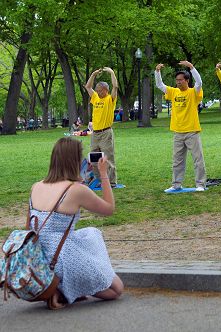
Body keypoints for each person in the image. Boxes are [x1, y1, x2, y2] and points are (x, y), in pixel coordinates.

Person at [29, 137, 123, 309]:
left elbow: (29, 227)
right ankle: (61, 289)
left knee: (89, 234)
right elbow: (109, 209)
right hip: (62, 258)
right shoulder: (76, 190)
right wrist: (103, 174)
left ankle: (59, 288)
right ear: (74, 161)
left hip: (39, 257)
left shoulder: (36, 186)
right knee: (116, 289)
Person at [155, 61, 207, 191]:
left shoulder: (193, 92)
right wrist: (157, 72)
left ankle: (200, 184)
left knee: (197, 160)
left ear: (187, 81)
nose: (178, 82)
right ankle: (176, 185)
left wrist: (191, 67)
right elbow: (159, 85)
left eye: (180, 80)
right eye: (177, 80)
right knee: (177, 161)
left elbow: (199, 82)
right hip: (178, 132)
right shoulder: (173, 92)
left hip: (192, 132)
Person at [85, 67, 119, 187]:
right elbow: (88, 87)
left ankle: (112, 182)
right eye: (97, 90)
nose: (97, 92)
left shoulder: (110, 99)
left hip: (106, 132)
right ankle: (99, 180)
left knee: (108, 157)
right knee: (94, 157)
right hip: (95, 133)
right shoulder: (95, 98)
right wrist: (93, 74)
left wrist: (112, 73)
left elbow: (115, 87)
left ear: (105, 90)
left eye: (100, 90)